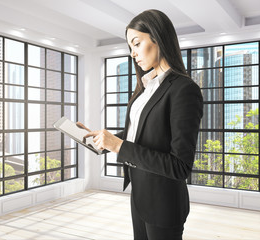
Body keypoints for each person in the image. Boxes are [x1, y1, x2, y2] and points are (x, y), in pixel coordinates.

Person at [78, 9, 203, 240]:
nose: (133, 53)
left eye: (136, 43)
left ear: (157, 37)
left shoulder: (184, 90)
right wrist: (105, 140)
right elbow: (141, 131)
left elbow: (180, 166)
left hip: (164, 204)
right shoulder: (145, 88)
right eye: (130, 47)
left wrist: (118, 146)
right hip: (140, 195)